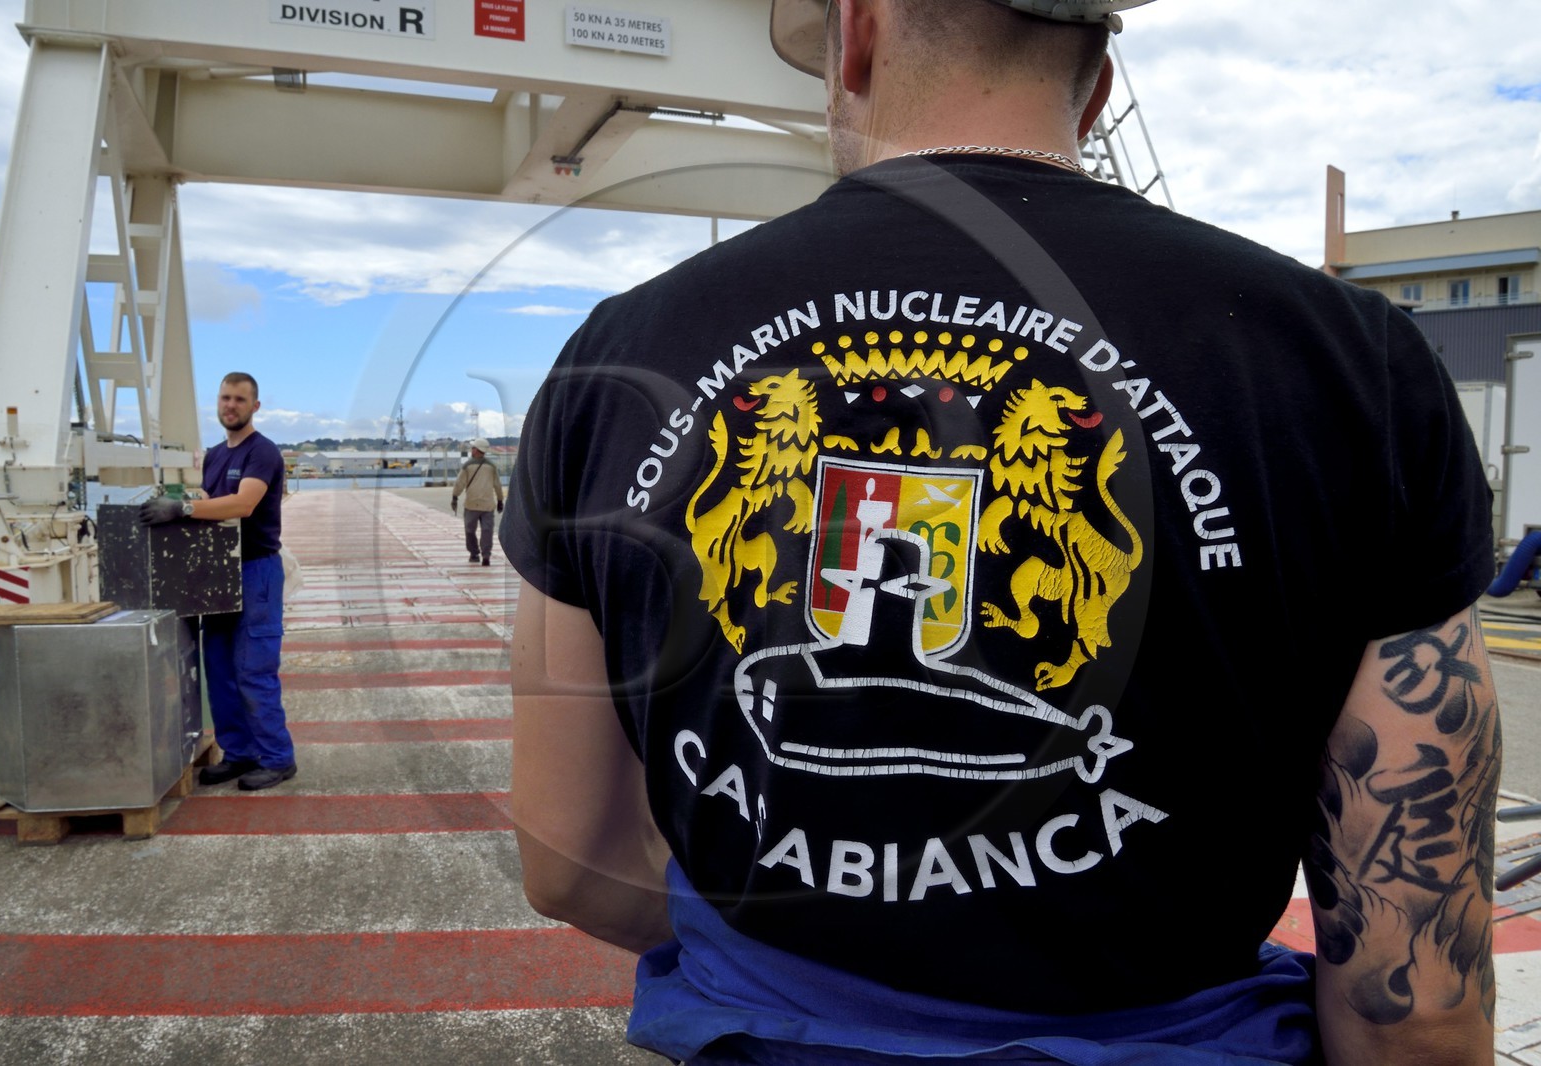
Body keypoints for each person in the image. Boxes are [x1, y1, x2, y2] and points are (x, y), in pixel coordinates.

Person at [500, 2, 1501, 1063]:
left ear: (857, 39)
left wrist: (801, 965)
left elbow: (570, 855)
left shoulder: (616, 357)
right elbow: (1414, 998)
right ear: (1098, 79)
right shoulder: (1349, 363)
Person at [140, 372, 297, 792]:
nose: (231, 405)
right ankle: (239, 752)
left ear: (255, 406)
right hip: (219, 573)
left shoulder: (262, 452)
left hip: (256, 571)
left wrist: (184, 509)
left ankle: (278, 758)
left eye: (240, 399)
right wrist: (180, 504)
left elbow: (245, 504)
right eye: (225, 398)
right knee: (220, 669)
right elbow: (213, 501)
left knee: (254, 669)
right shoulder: (213, 455)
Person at [452, 438, 504, 565]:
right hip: (486, 505)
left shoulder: (469, 466)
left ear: (477, 450)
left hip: (473, 505)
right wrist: (500, 500)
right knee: (487, 531)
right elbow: (498, 485)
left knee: (470, 530)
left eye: (473, 448)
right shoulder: (491, 466)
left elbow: (460, 483)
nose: (472, 450)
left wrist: (455, 496)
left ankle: (476, 554)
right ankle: (484, 554)